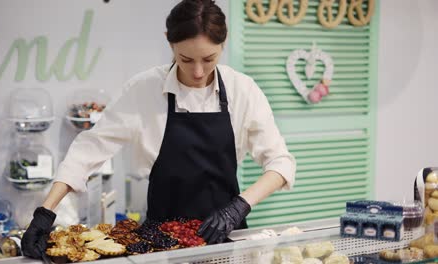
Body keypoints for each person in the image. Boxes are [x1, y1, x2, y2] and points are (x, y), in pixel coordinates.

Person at [21, 0, 296, 259]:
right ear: (169, 41)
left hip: (225, 234)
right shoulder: (144, 90)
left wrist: (240, 206)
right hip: (159, 242)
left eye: (209, 59)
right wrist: (46, 211)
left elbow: (281, 164)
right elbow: (89, 148)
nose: (198, 72)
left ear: (223, 45)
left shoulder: (243, 90)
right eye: (186, 59)